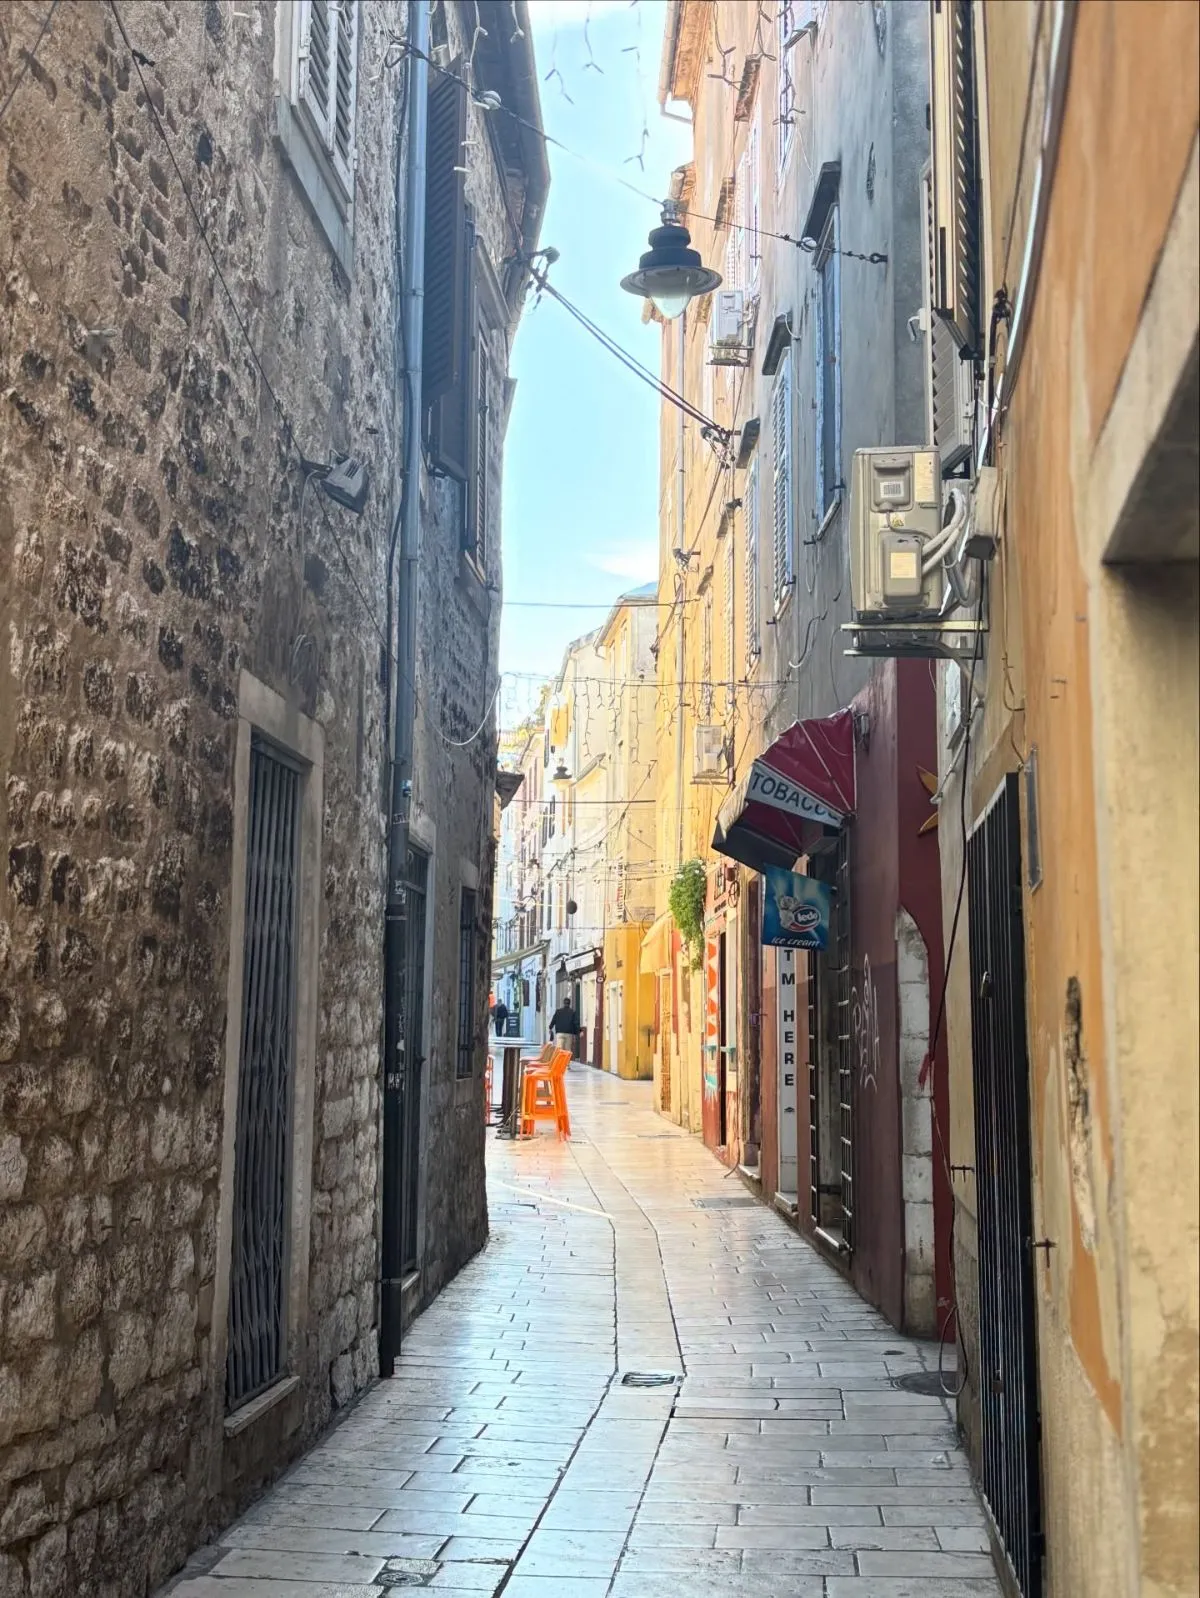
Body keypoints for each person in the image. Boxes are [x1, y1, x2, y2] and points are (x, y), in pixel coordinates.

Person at [549, 996, 579, 1061]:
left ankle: (559, 1063)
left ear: (563, 1003)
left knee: (559, 1049)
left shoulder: (558, 1011)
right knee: (568, 1049)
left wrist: (550, 1027)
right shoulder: (572, 1012)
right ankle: (567, 1064)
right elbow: (576, 1023)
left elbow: (553, 1020)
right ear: (569, 1003)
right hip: (569, 1033)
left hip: (560, 1033)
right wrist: (579, 1031)